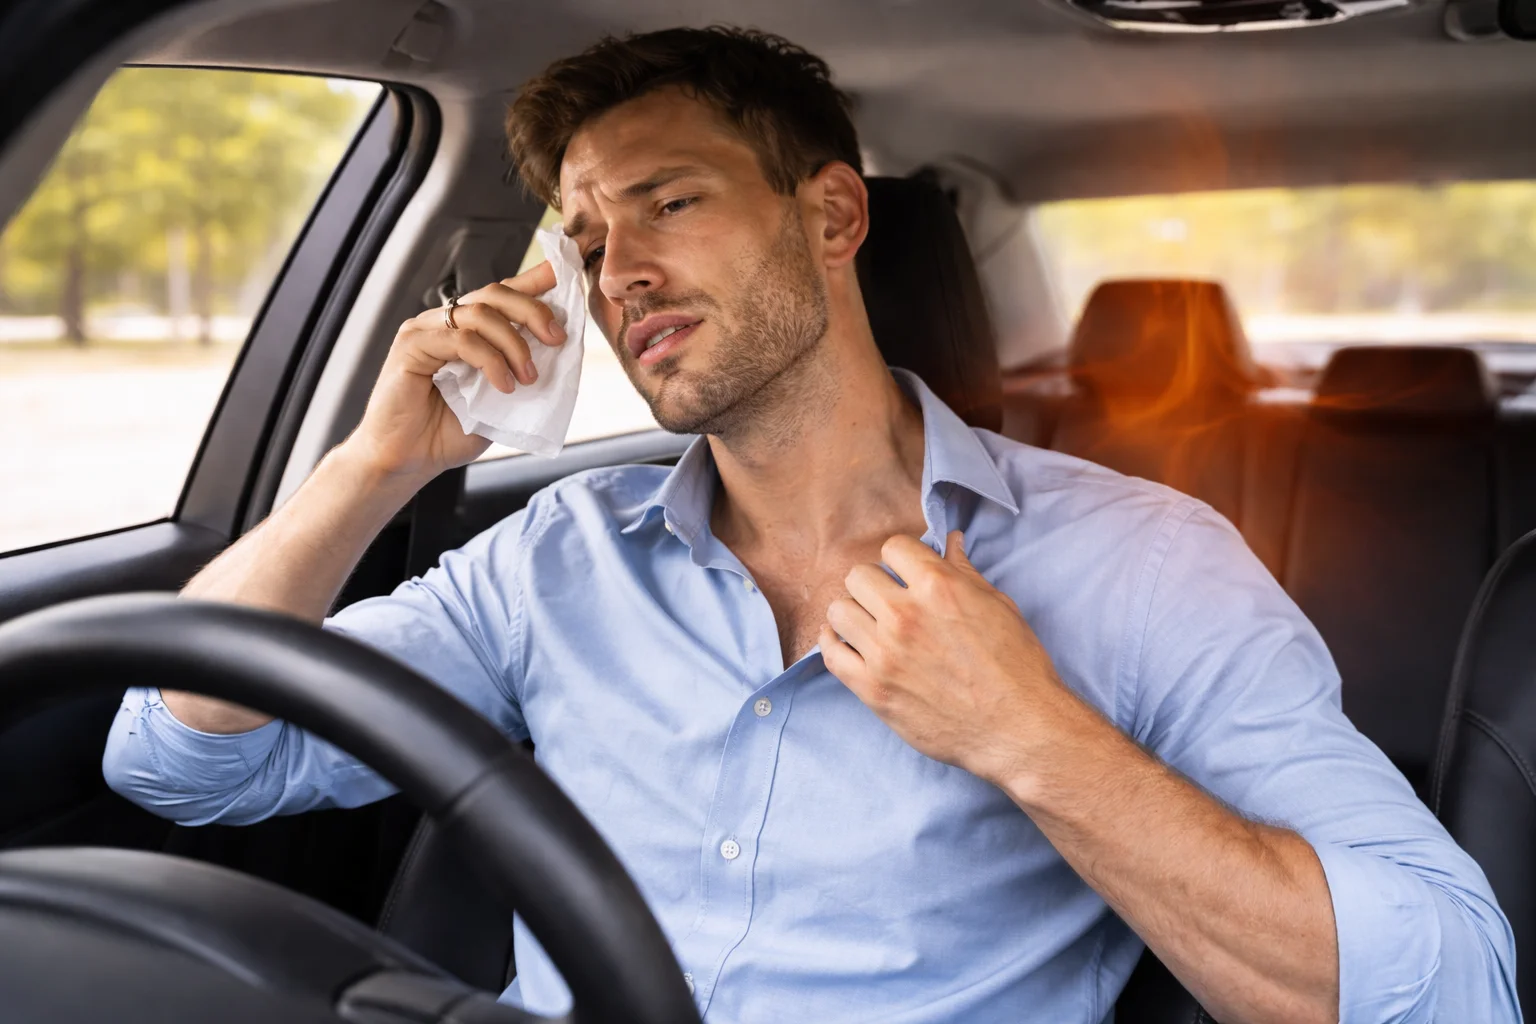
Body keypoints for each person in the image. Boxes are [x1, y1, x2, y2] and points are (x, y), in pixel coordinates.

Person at [103, 26, 1518, 1024]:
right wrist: (368, 468)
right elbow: (181, 760)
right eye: (588, 242)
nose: (620, 273)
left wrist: (1029, 734)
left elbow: (1443, 984)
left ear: (832, 215)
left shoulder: (1140, 562)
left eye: (672, 201)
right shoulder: (553, 560)